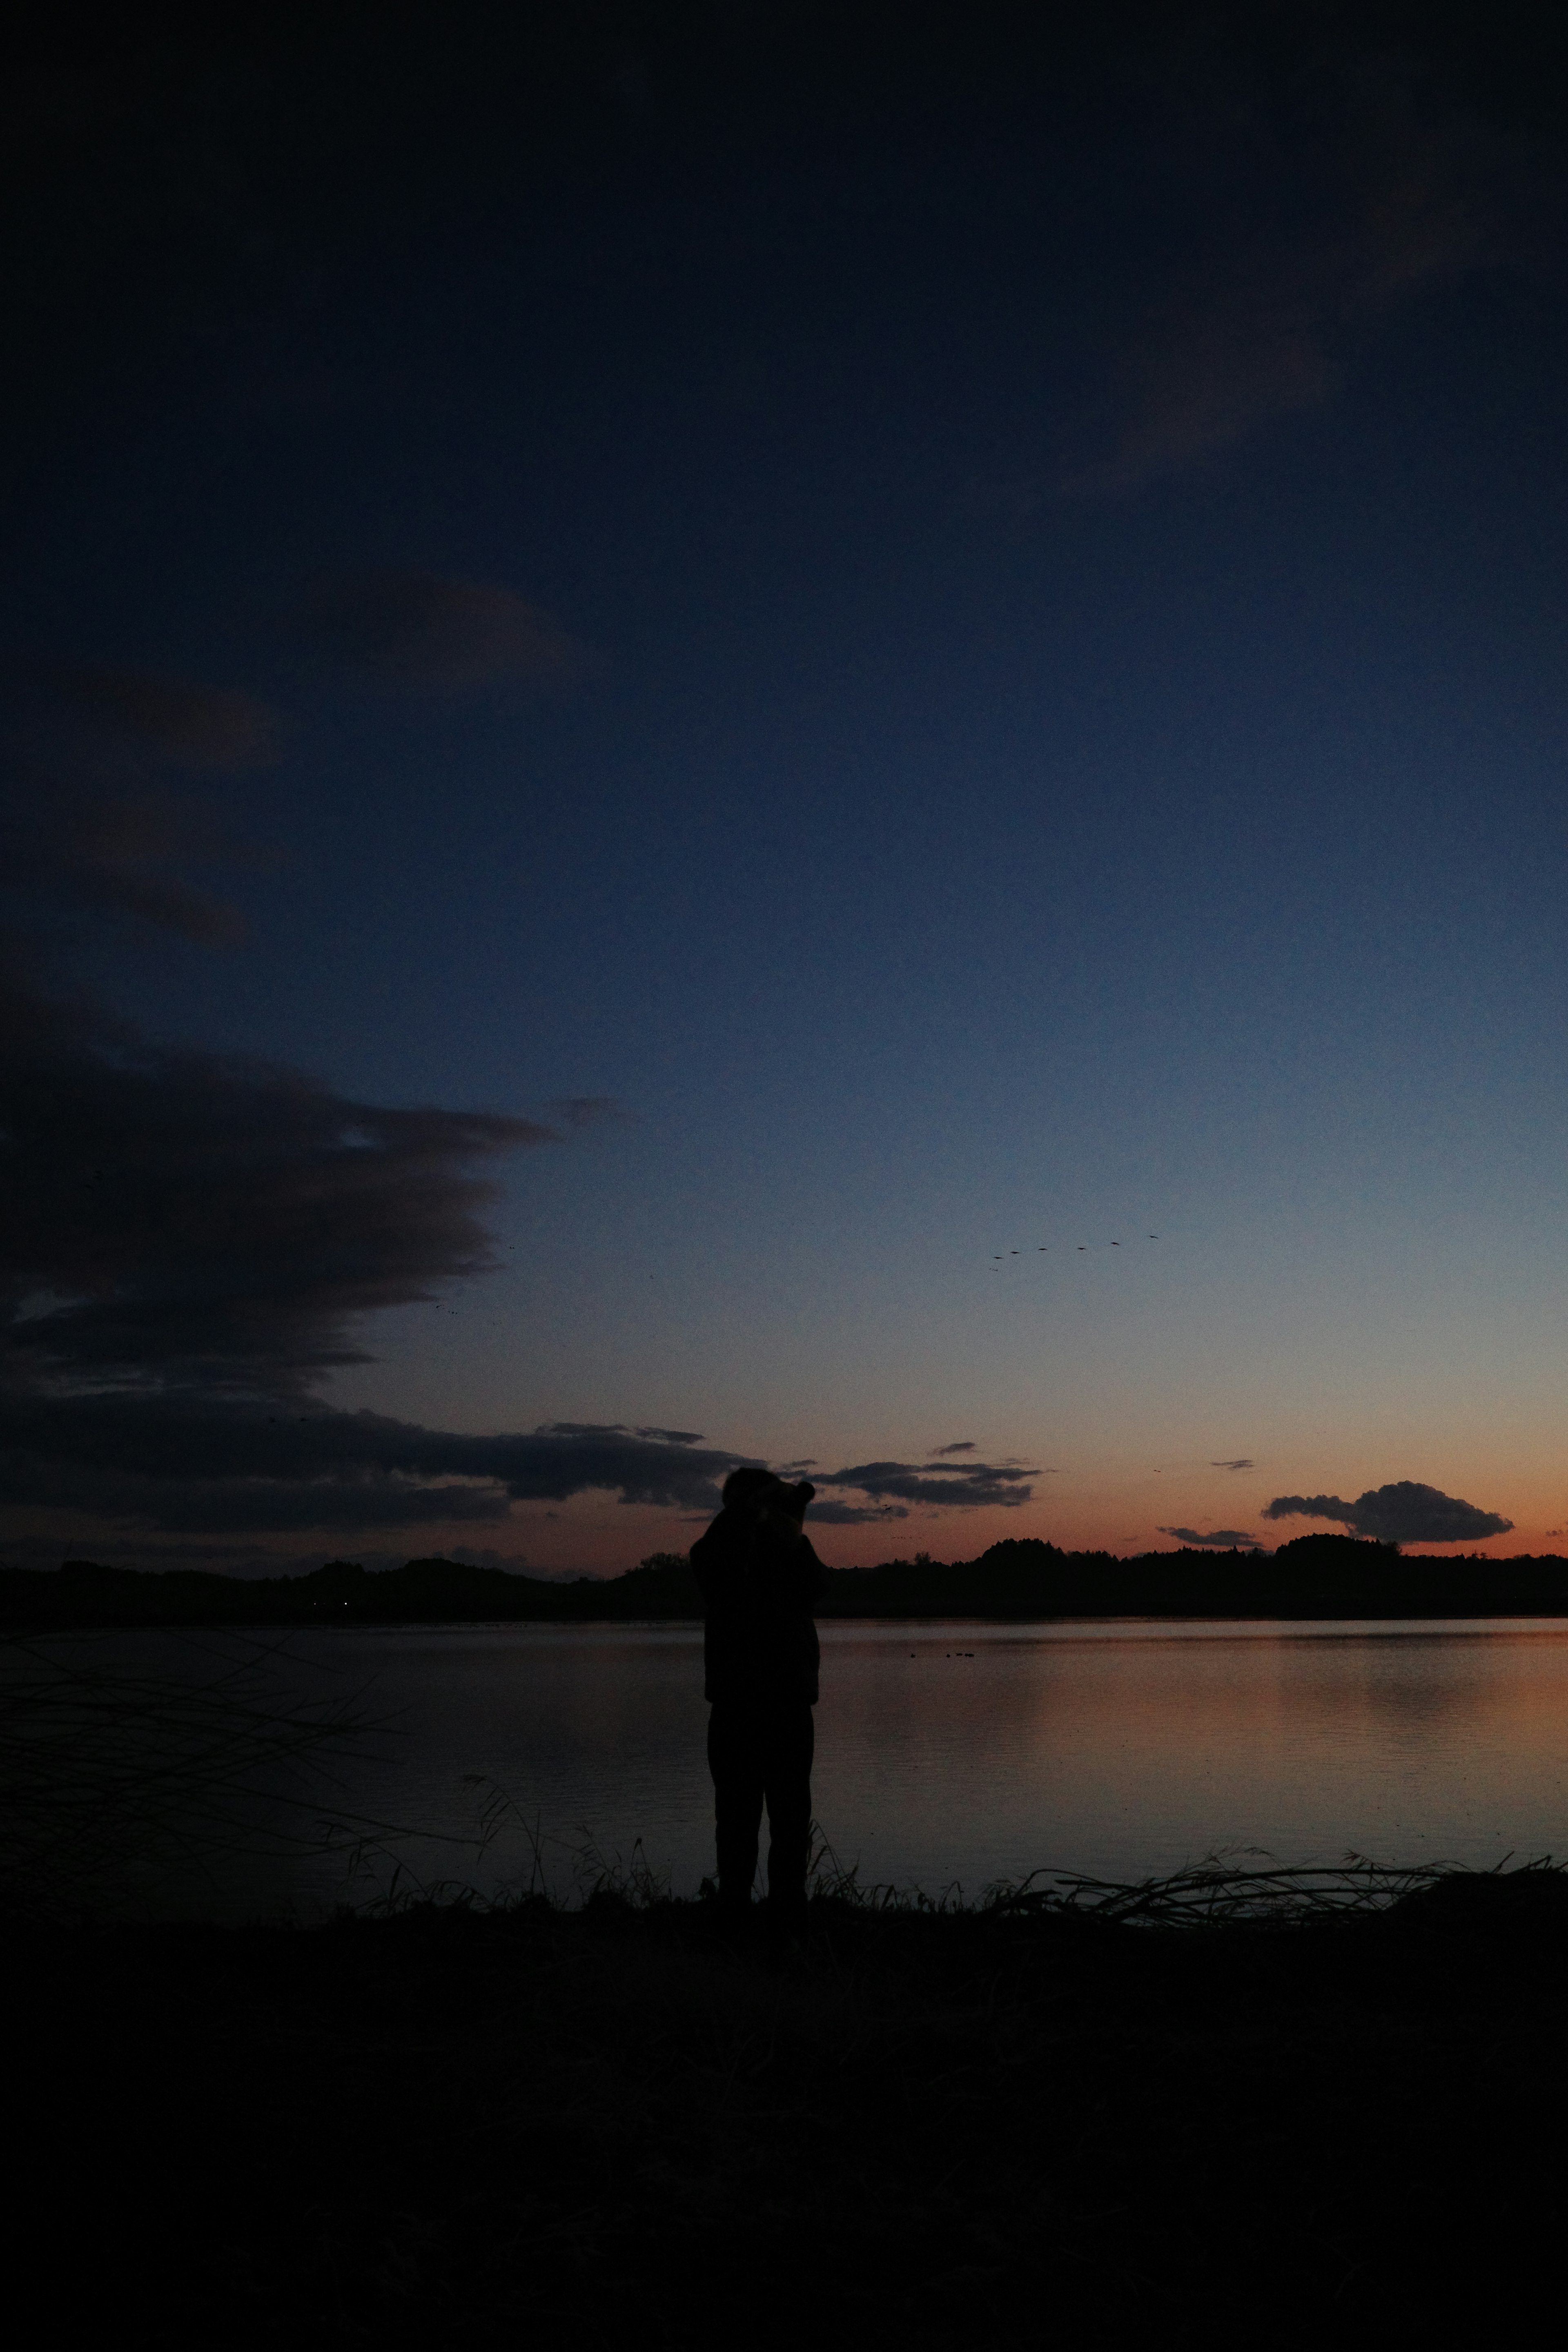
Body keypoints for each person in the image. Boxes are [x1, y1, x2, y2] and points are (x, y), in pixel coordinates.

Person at [690, 1467, 826, 1936]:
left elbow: (818, 1588)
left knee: (788, 1821)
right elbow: (708, 1563)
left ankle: (787, 1914)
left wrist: (788, 1525)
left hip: (783, 1707)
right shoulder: (722, 1551)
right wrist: (747, 1514)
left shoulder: (787, 1550)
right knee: (738, 1821)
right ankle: (736, 1914)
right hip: (742, 1708)